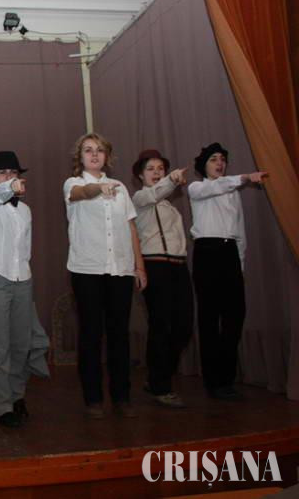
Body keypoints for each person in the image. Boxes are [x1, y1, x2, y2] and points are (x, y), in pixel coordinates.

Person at [63, 133, 147, 419]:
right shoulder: (73, 183)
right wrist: (98, 188)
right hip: (87, 270)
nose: (94, 154)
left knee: (119, 335)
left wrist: (139, 266)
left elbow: (131, 228)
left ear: (107, 156)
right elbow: (81, 194)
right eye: (88, 150)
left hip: (120, 269)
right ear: (80, 157)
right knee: (91, 334)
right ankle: (93, 398)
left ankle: (121, 397)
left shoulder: (121, 188)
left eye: (99, 150)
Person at [0, 151, 50, 428]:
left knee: (21, 344)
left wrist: (26, 276)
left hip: (23, 279)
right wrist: (8, 187)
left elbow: (25, 249)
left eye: (13, 172)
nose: (8, 176)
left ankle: (17, 396)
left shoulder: (26, 211)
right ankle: (2, 406)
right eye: (2, 172)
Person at [188, 142, 267, 400]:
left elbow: (240, 232)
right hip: (207, 252)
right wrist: (245, 177)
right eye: (214, 159)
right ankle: (213, 381)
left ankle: (226, 378)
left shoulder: (233, 193)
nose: (219, 163)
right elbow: (216, 187)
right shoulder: (196, 187)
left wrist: (240, 265)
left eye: (222, 159)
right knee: (209, 318)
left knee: (235, 316)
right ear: (203, 165)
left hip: (229, 253)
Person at [131, 149, 193, 408]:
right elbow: (154, 193)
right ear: (140, 175)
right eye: (151, 169)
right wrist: (172, 179)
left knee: (184, 326)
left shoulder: (169, 206)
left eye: (161, 169)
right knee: (161, 325)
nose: (157, 173)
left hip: (178, 266)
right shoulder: (139, 198)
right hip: (155, 265)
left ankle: (157, 377)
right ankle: (160, 385)